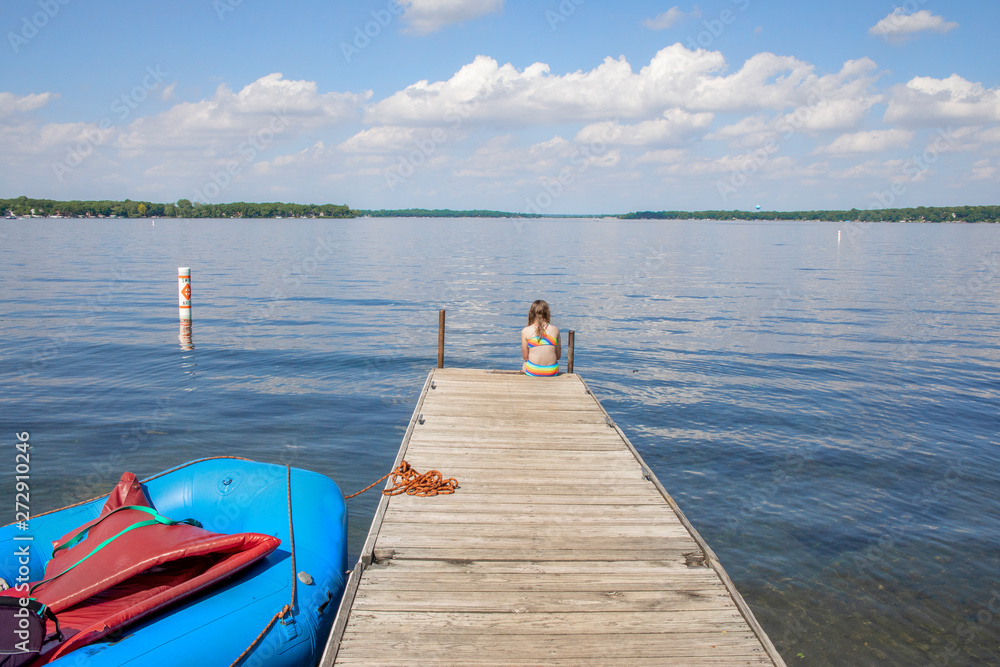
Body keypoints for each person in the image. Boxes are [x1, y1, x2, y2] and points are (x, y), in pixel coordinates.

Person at [521, 300, 560, 376]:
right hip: (552, 371)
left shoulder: (525, 331)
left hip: (534, 371)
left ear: (531, 314)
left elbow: (525, 357)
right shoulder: (555, 330)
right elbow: (558, 356)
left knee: (524, 364)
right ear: (547, 313)